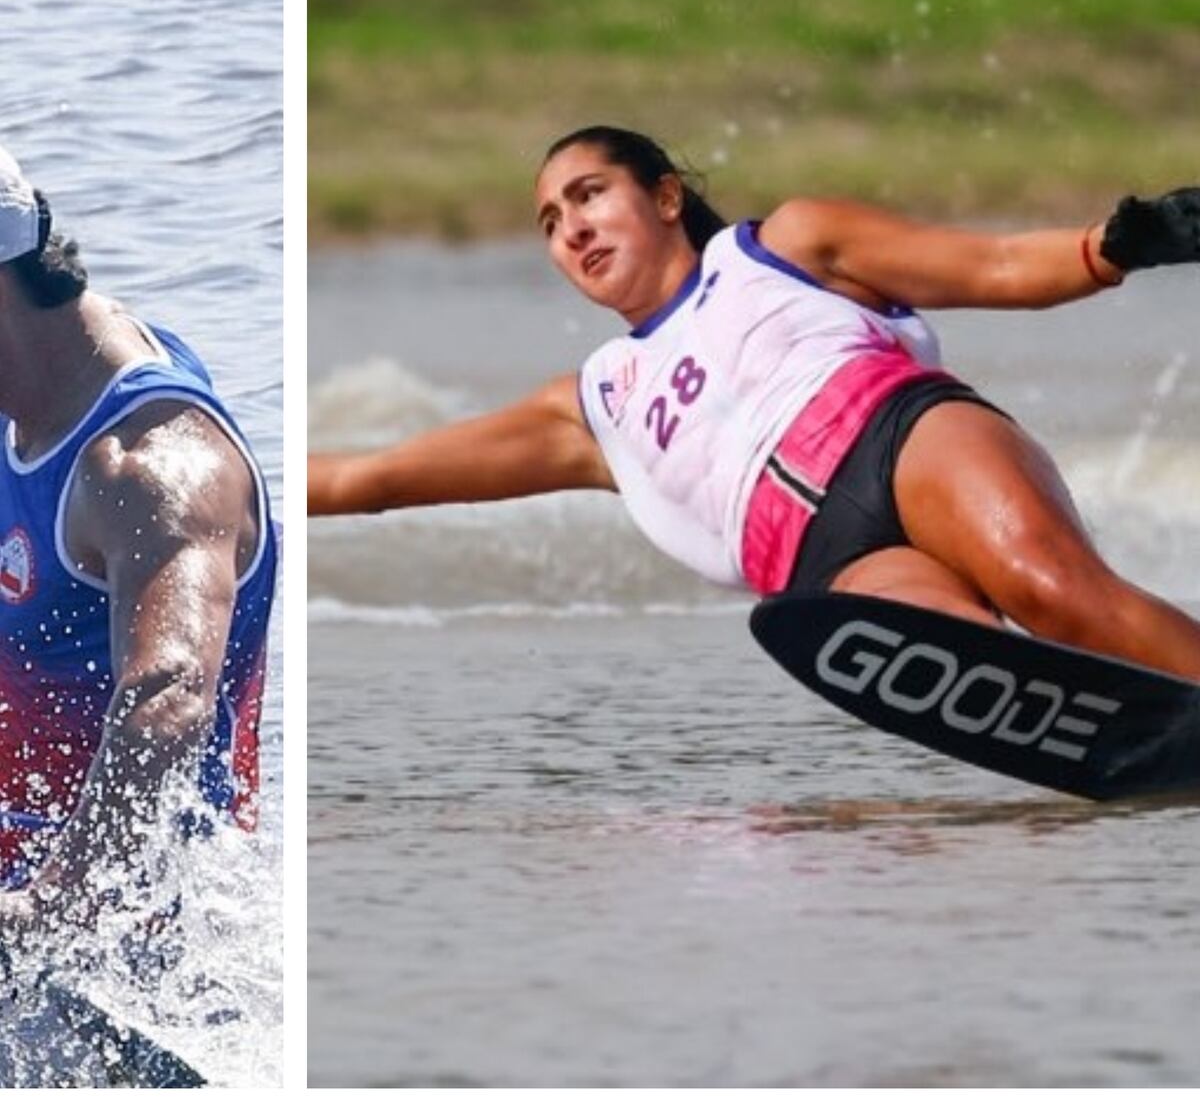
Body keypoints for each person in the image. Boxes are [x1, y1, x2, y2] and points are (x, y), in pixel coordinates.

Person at [308, 125, 1200, 684]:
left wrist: (1123, 240)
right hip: (829, 564)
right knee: (981, 664)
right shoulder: (593, 409)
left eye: (588, 196)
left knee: (1053, 594)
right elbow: (369, 477)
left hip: (902, 438)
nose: (571, 229)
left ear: (663, 196)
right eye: (549, 223)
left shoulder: (786, 245)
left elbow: (999, 267)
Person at [0, 146, 277, 940]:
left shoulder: (151, 465)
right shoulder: (34, 376)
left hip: (130, 943)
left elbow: (170, 696)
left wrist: (58, 899)